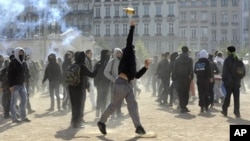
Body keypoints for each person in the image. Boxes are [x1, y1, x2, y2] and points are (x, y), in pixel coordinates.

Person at [97, 20, 150, 135]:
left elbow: (136, 76)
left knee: (133, 106)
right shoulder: (127, 55)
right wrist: (132, 28)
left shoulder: (131, 62)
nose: (134, 51)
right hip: (120, 83)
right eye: (132, 49)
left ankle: (138, 126)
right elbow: (129, 41)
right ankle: (101, 122)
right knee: (114, 106)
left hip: (127, 85)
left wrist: (145, 68)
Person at [68, 51, 98, 128]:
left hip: (71, 88)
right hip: (79, 88)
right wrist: (97, 67)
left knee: (74, 105)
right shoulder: (83, 66)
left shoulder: (72, 65)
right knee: (80, 105)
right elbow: (92, 75)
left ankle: (73, 121)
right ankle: (78, 123)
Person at [8, 47, 31, 123]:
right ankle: (14, 118)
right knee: (13, 102)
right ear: (16, 53)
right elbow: (10, 75)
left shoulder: (24, 63)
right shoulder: (12, 62)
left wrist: (27, 81)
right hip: (14, 85)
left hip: (22, 85)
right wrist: (10, 86)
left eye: (22, 52)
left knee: (24, 101)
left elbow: (26, 73)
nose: (21, 54)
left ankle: (23, 117)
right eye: (19, 52)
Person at [221, 46, 245, 118]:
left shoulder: (227, 60)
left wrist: (224, 79)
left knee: (227, 97)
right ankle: (237, 112)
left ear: (228, 51)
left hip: (229, 82)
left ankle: (225, 110)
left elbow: (224, 71)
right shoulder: (239, 59)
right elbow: (243, 71)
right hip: (237, 82)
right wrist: (239, 79)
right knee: (236, 98)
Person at [173, 46, 194, 113]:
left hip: (179, 78)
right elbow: (191, 69)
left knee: (180, 92)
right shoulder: (189, 59)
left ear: (181, 51)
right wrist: (192, 77)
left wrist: (174, 77)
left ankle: (182, 106)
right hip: (187, 78)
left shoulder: (177, 59)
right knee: (186, 92)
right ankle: (184, 106)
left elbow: (174, 69)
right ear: (187, 51)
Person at [104, 48, 123, 118]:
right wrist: (113, 79)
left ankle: (118, 112)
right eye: (118, 53)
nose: (119, 54)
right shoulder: (112, 61)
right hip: (114, 83)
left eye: (120, 53)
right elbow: (106, 72)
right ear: (115, 53)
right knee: (113, 99)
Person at [94, 49, 111, 118]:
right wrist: (96, 82)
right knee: (101, 97)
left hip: (105, 83)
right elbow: (95, 74)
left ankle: (102, 111)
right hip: (101, 83)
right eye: (107, 54)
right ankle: (99, 110)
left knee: (103, 97)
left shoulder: (108, 63)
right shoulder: (99, 64)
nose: (109, 55)